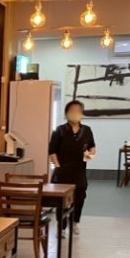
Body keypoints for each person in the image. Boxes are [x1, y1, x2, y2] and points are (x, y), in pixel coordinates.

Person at [49, 100, 96, 235]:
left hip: (79, 171)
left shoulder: (87, 130)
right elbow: (52, 151)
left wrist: (90, 155)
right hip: (62, 171)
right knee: (62, 200)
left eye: (78, 110)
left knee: (80, 196)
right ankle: (62, 226)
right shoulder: (60, 130)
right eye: (72, 110)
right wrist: (58, 166)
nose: (75, 112)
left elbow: (92, 147)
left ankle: (74, 221)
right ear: (66, 113)